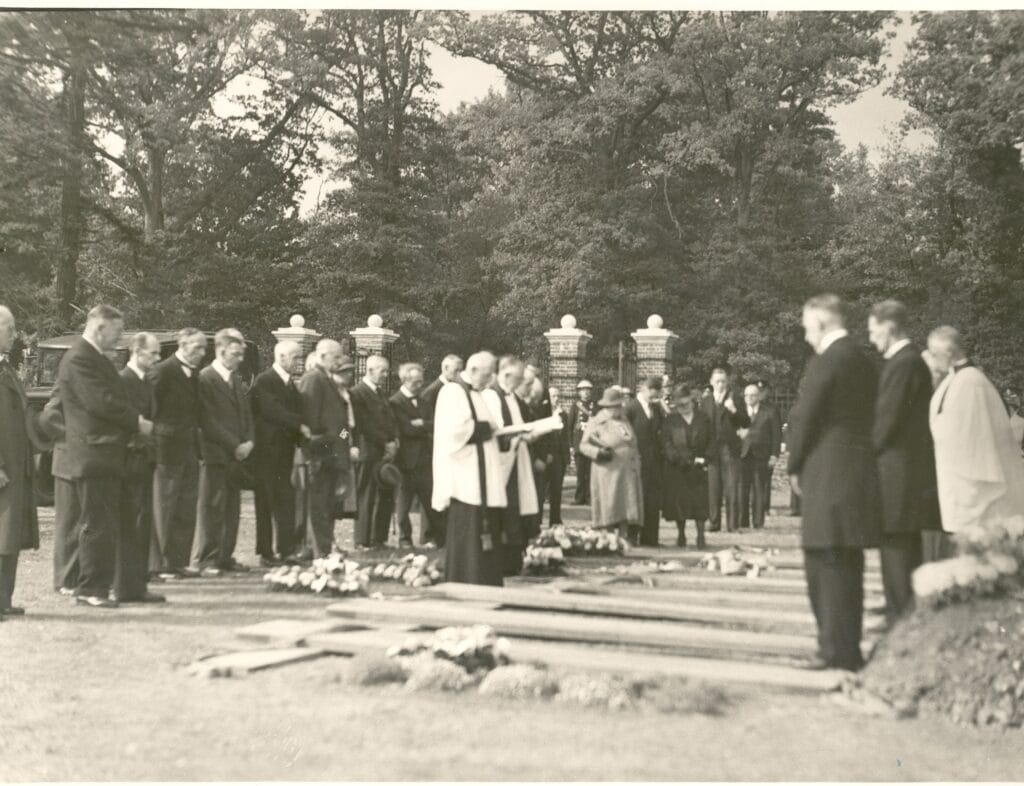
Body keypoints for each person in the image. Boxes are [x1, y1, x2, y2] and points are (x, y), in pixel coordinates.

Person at [788, 294, 880, 671]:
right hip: (856, 472)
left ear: (823, 324)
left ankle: (832, 650)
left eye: (808, 327)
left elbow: (805, 417)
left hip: (828, 473)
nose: (806, 335)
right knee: (847, 564)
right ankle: (848, 649)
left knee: (823, 563)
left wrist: (794, 463)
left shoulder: (827, 361)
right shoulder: (863, 360)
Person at [54, 305, 151, 608]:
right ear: (99, 328)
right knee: (98, 525)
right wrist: (136, 421)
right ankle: (91, 589)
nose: (121, 339)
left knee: (122, 523)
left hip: (107, 453)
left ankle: (129, 588)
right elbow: (101, 402)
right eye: (117, 332)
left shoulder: (96, 358)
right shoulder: (80, 358)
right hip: (94, 455)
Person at [868, 300, 941, 622]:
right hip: (903, 469)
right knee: (896, 538)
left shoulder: (905, 362)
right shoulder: (906, 361)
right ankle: (897, 603)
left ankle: (900, 612)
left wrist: (864, 453)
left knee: (897, 538)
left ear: (888, 327)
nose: (872, 339)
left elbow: (887, 419)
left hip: (900, 471)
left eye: (873, 331)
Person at [928, 326, 1024, 538]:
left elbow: (972, 436)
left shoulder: (970, 381)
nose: (932, 360)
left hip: (972, 484)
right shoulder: (955, 379)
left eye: (934, 354)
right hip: (955, 478)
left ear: (948, 352)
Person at [432, 351, 507, 586]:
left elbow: (489, 425)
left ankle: (487, 580)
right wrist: (485, 428)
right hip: (466, 477)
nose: (489, 381)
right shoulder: (453, 391)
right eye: (486, 375)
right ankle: (467, 579)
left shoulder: (476, 393)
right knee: (470, 532)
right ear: (473, 370)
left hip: (482, 473)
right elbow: (454, 432)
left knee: (487, 529)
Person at [191, 329, 254, 576]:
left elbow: (246, 415)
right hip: (215, 453)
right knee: (211, 507)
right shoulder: (206, 378)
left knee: (231, 507)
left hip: (236, 455)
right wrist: (234, 444)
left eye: (241, 354)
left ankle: (225, 555)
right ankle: (206, 558)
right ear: (221, 350)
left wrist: (249, 441)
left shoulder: (235, 379)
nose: (240, 359)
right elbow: (208, 419)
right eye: (236, 354)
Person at [151, 328, 206, 579]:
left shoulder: (194, 374)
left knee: (185, 506)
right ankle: (161, 564)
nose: (202, 354)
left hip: (189, 449)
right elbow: (151, 409)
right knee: (165, 506)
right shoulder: (163, 371)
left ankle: (178, 561)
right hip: (166, 450)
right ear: (182, 346)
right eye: (197, 348)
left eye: (204, 348)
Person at [114, 332, 165, 603]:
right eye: (153, 353)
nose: (157, 359)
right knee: (130, 522)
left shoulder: (146, 381)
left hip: (144, 459)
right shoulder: (124, 380)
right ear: (136, 351)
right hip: (130, 460)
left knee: (142, 520)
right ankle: (125, 586)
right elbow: (123, 420)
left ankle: (138, 584)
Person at [251, 340, 311, 566]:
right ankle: (266, 553)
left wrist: (303, 432)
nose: (299, 361)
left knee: (285, 501)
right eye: (296, 357)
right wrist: (301, 426)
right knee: (265, 503)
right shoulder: (264, 381)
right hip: (266, 453)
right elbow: (273, 411)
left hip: (284, 451)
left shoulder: (289, 384)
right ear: (281, 357)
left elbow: (296, 410)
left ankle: (285, 550)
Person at [298, 340, 355, 558]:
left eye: (340, 357)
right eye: (336, 357)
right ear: (321, 357)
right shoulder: (313, 379)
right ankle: (321, 553)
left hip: (334, 454)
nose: (340, 361)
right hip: (322, 456)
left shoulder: (329, 381)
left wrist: (343, 440)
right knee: (319, 507)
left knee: (329, 507)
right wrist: (318, 451)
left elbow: (342, 425)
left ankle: (325, 549)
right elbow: (310, 422)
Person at [0, 306, 40, 616]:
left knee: (9, 535)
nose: (14, 337)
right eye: (9, 330)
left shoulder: (7, 367)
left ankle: (4, 600)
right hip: (3, 467)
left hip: (15, 464)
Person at [485, 356, 540, 576]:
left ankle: (515, 558)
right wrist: (518, 435)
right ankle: (501, 560)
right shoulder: (492, 395)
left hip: (518, 457)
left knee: (516, 510)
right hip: (502, 462)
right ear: (506, 375)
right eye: (517, 378)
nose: (519, 384)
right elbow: (496, 429)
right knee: (504, 509)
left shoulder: (512, 397)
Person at [578, 386, 643, 539]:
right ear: (608, 407)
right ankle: (608, 539)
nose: (620, 408)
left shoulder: (624, 421)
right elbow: (583, 445)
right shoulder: (597, 422)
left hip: (627, 472)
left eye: (620, 405)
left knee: (626, 507)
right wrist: (598, 453)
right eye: (617, 406)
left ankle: (624, 537)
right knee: (610, 506)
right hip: (608, 472)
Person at [390, 362, 443, 547]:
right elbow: (405, 429)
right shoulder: (395, 402)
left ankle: (432, 538)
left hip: (426, 459)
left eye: (421, 382)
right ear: (404, 380)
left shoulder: (424, 401)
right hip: (406, 460)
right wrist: (424, 426)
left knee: (431, 503)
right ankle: (405, 539)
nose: (419, 386)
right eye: (415, 382)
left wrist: (423, 424)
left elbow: (435, 424)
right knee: (403, 506)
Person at [350, 355, 398, 548]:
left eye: (387, 371)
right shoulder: (357, 393)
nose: (386, 375)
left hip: (383, 452)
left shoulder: (380, 393)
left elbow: (389, 420)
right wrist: (386, 442)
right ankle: (362, 540)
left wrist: (394, 440)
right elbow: (363, 425)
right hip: (367, 450)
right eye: (382, 371)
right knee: (366, 496)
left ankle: (379, 538)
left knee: (384, 494)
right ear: (369, 370)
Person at [660, 384, 712, 548]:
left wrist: (705, 459)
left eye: (686, 404)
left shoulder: (703, 419)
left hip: (699, 468)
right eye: (679, 405)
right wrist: (679, 460)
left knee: (700, 504)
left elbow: (712, 441)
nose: (683, 407)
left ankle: (701, 536)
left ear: (692, 401)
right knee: (680, 504)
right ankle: (681, 534)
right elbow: (667, 444)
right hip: (679, 469)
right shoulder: (671, 421)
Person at [701, 368, 750, 533]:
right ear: (711, 382)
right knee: (713, 489)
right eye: (717, 381)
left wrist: (734, 410)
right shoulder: (706, 400)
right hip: (711, 450)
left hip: (730, 449)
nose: (720, 384)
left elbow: (746, 422)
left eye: (723, 381)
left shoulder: (735, 398)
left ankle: (732, 524)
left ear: (727, 382)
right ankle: (714, 523)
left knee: (731, 488)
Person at [624, 376, 664, 546]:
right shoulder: (630, 408)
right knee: (634, 499)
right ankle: (632, 536)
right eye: (651, 394)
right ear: (644, 389)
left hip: (653, 462)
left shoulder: (656, 408)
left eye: (656, 395)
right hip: (635, 461)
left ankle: (650, 538)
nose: (653, 398)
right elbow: (625, 434)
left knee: (652, 499)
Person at [738, 383, 782, 529]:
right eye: (747, 395)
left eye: (753, 395)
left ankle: (758, 521)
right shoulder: (738, 413)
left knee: (758, 489)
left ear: (758, 396)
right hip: (742, 456)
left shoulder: (769, 412)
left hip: (761, 456)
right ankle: (743, 521)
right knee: (742, 490)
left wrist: (774, 455)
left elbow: (776, 435)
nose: (749, 398)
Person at [542, 385, 571, 526]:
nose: (556, 398)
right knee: (541, 489)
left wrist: (566, 457)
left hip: (559, 457)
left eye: (558, 396)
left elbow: (565, 437)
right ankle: (537, 519)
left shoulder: (563, 415)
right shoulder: (543, 414)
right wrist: (545, 454)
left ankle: (555, 519)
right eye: (553, 396)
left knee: (556, 490)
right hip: (546, 456)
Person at [568, 380, 596, 504]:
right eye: (583, 390)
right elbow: (569, 426)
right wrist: (571, 445)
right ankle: (579, 498)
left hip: (591, 443)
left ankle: (589, 497)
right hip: (579, 444)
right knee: (580, 473)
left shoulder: (595, 406)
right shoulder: (575, 406)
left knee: (590, 473)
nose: (585, 393)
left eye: (588, 390)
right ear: (579, 392)